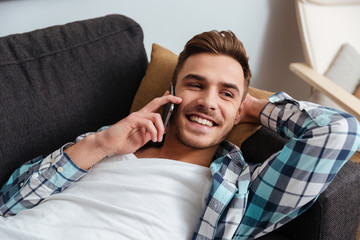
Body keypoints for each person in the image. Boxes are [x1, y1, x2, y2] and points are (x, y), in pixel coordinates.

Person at [0, 30, 359, 240]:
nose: (207, 102)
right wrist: (98, 145)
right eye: (195, 85)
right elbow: (9, 204)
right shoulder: (105, 144)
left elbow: (339, 131)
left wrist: (253, 108)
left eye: (226, 93)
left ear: (239, 111)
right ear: (172, 92)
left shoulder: (238, 194)